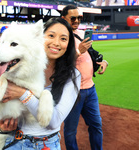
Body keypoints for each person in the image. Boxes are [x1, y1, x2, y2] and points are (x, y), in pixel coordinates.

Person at [0, 17, 81, 149]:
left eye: (63, 39)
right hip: (13, 140)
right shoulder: (14, 66)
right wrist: (1, 124)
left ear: (68, 44)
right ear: (39, 37)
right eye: (51, 35)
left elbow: (53, 122)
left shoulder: (73, 76)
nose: (56, 43)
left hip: (46, 144)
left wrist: (22, 94)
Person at [61, 5, 108, 150]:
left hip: (90, 89)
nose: (76, 21)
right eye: (72, 18)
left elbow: (91, 53)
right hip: (73, 91)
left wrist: (103, 61)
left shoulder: (81, 33)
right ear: (63, 19)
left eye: (79, 18)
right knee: (70, 132)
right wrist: (78, 50)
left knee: (96, 125)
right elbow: (61, 63)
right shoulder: (61, 37)